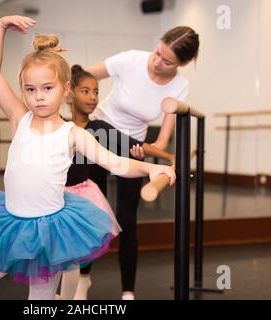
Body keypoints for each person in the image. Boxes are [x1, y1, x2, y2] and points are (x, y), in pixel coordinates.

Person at [0, 15, 175, 300]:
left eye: (48, 88)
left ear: (65, 89)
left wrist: (150, 169)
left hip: (47, 234)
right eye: (30, 89)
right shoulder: (20, 117)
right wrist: (0, 26)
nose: (38, 97)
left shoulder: (73, 134)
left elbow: (116, 163)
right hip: (8, 225)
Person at [85, 26, 200, 300]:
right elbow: (84, 78)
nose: (157, 62)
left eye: (167, 61)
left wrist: (149, 152)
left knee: (127, 219)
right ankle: (82, 277)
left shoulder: (179, 86)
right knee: (89, 210)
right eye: (158, 52)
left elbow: (161, 140)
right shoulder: (132, 59)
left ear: (183, 64)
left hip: (132, 148)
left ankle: (128, 291)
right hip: (96, 136)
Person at [58, 65, 174, 300]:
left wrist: (169, 157)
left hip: (90, 197)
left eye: (96, 92)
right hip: (62, 200)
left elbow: (133, 143)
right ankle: (78, 281)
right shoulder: (60, 127)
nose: (93, 97)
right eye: (85, 91)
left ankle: (110, 287)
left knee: (96, 235)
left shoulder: (98, 128)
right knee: (67, 249)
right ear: (69, 94)